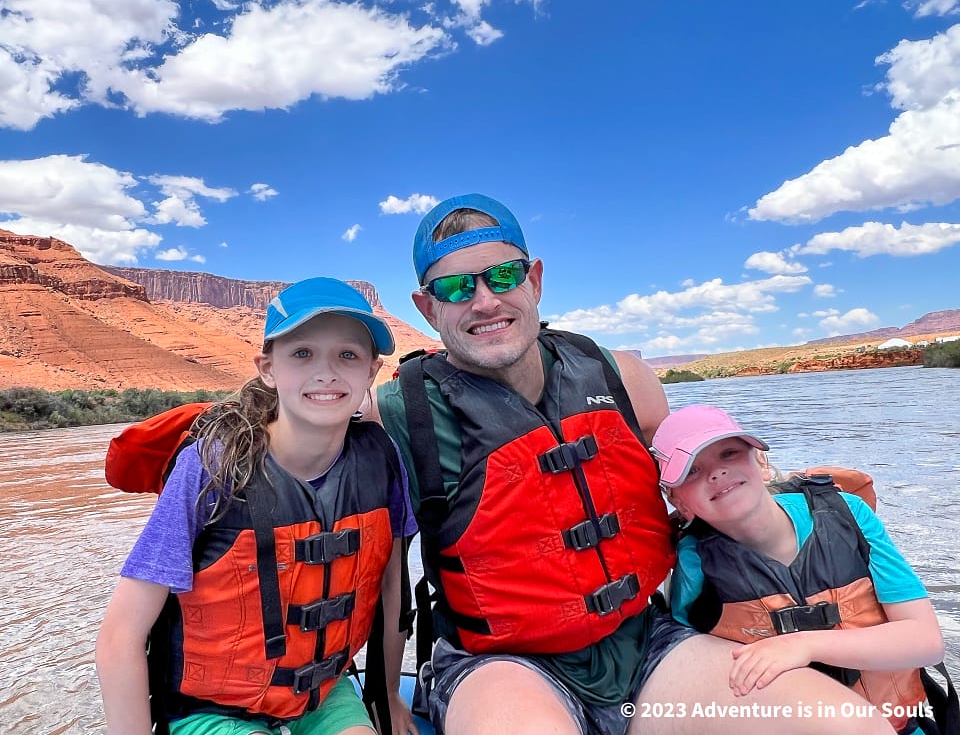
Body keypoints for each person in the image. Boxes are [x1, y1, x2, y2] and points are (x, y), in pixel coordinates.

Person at [374, 192, 893, 735]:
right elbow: (383, 578)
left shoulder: (623, 380)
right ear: (428, 308)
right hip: (500, 662)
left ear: (535, 280)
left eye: (503, 275)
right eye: (456, 287)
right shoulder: (396, 418)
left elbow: (692, 495)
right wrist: (387, 693)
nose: (484, 301)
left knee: (852, 726)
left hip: (646, 643)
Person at [96, 277, 419, 735]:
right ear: (268, 368)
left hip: (322, 693)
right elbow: (120, 635)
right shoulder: (212, 466)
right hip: (210, 708)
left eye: (348, 355)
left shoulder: (382, 461)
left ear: (371, 372)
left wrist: (387, 698)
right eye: (302, 353)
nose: (326, 372)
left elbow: (392, 594)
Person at [654, 404, 945, 733]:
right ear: (678, 501)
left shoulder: (848, 515)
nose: (716, 473)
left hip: (900, 725)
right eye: (692, 470)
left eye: (729, 453)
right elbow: (694, 664)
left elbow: (926, 639)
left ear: (761, 463)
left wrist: (803, 645)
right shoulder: (694, 562)